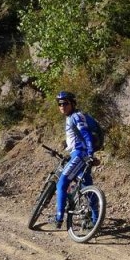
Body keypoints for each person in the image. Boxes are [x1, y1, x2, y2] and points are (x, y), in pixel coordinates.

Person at [53, 91, 96, 229]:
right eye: (59, 104)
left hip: (79, 155)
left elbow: (86, 135)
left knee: (61, 184)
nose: (62, 106)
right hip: (79, 154)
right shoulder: (71, 117)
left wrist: (90, 153)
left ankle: (59, 218)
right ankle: (96, 220)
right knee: (87, 187)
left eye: (65, 103)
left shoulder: (76, 117)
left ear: (72, 103)